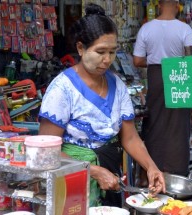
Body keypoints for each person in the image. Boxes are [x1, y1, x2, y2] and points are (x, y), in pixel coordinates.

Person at [38, 3, 165, 207]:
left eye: (112, 52)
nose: (107, 60)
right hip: (71, 181)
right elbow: (46, 151)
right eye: (100, 52)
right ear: (81, 48)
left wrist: (151, 167)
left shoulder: (118, 85)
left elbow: (130, 137)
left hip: (110, 177)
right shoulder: (62, 89)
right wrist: (93, 170)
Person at [133, 0, 192, 181]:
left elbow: (137, 61)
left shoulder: (146, 28)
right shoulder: (184, 29)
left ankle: (153, 172)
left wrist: (157, 61)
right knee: (178, 125)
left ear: (159, 5)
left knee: (155, 123)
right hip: (180, 77)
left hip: (156, 78)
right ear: (177, 5)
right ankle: (177, 174)